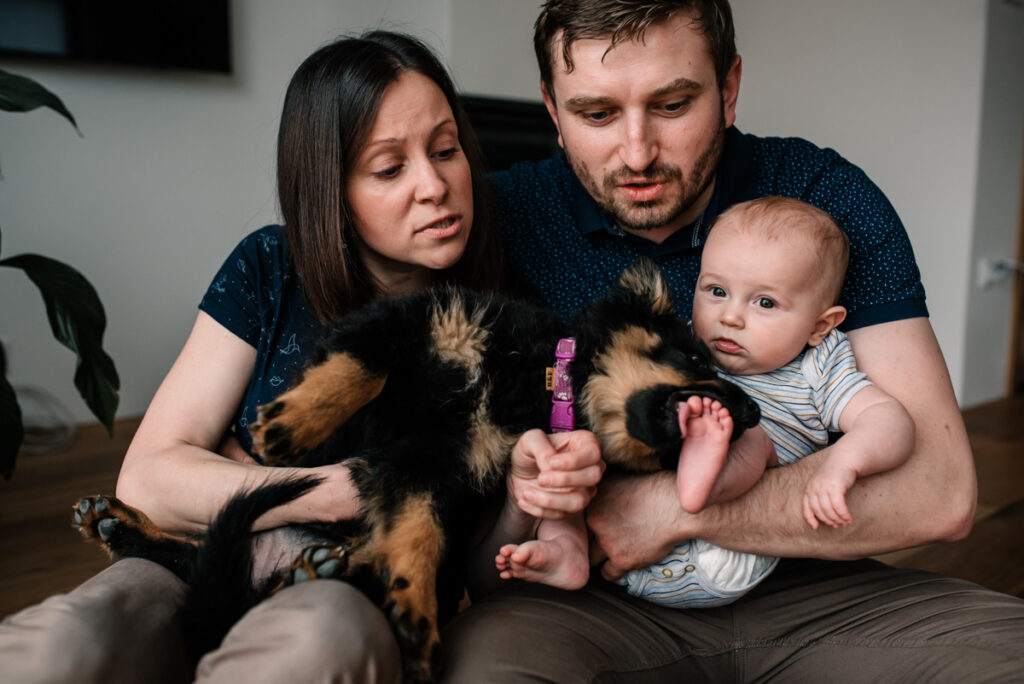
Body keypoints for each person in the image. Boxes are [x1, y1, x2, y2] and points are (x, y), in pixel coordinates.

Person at [440, 1, 1024, 681]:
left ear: (730, 88)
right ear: (551, 107)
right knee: (484, 664)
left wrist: (671, 512)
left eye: (673, 104)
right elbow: (478, 548)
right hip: (600, 601)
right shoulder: (495, 220)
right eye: (597, 114)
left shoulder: (822, 199)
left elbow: (940, 493)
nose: (637, 153)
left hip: (820, 590)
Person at [0, 31, 602, 684]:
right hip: (192, 557)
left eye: (447, 150)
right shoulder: (270, 268)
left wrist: (522, 497)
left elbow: (483, 578)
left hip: (346, 596)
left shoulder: (505, 321)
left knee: (318, 640)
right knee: (67, 641)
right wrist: (330, 493)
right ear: (330, 190)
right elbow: (146, 481)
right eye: (389, 167)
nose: (435, 185)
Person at [495, 197, 917, 608]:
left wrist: (841, 465)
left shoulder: (818, 367)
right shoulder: (686, 348)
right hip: (623, 567)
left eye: (765, 302)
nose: (730, 317)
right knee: (579, 459)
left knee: (750, 436)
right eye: (716, 290)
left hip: (724, 555)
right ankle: (565, 550)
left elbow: (888, 420)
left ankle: (701, 479)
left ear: (820, 326)